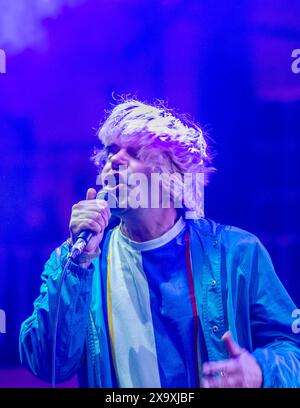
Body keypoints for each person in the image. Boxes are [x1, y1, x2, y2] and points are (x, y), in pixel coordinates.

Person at [20, 99, 300, 388]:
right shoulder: (77, 262)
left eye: (134, 152)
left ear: (173, 175)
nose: (114, 160)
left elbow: (293, 350)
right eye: (111, 151)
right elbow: (47, 363)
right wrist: (78, 264)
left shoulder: (237, 252)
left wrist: (260, 371)